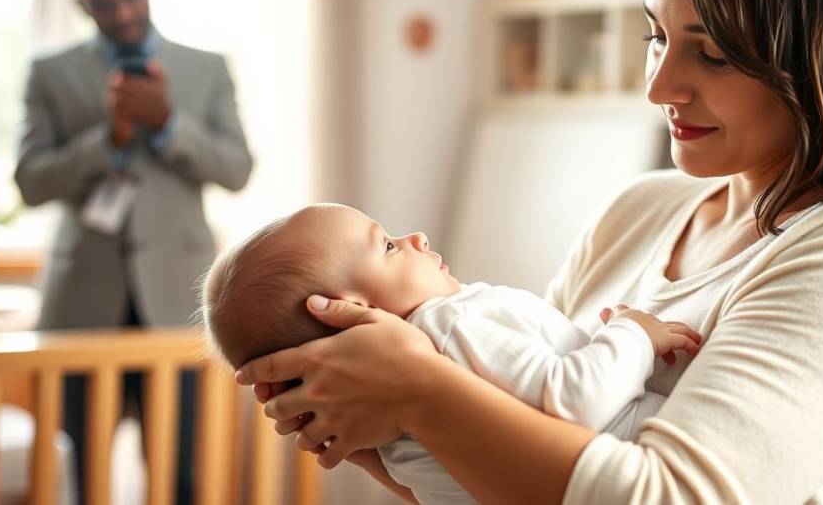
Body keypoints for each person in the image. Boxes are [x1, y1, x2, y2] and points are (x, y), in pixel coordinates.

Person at [235, 0, 823, 502]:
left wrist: (416, 392)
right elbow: (518, 467)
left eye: (713, 55)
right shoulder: (640, 209)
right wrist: (383, 443)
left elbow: (663, 497)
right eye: (656, 38)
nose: (660, 86)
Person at [199, 203, 701, 504]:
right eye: (389, 247)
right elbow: (576, 403)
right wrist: (632, 334)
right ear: (345, 311)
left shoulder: (385, 434)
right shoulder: (450, 322)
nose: (415, 238)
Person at [14, 0, 252, 505]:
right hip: (81, 307)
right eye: (104, 2)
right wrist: (108, 142)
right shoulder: (50, 74)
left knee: (182, 478)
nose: (121, 12)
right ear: (82, 4)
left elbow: (238, 169)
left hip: (180, 304)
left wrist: (168, 122)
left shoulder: (206, 69)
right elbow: (29, 181)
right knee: (81, 480)